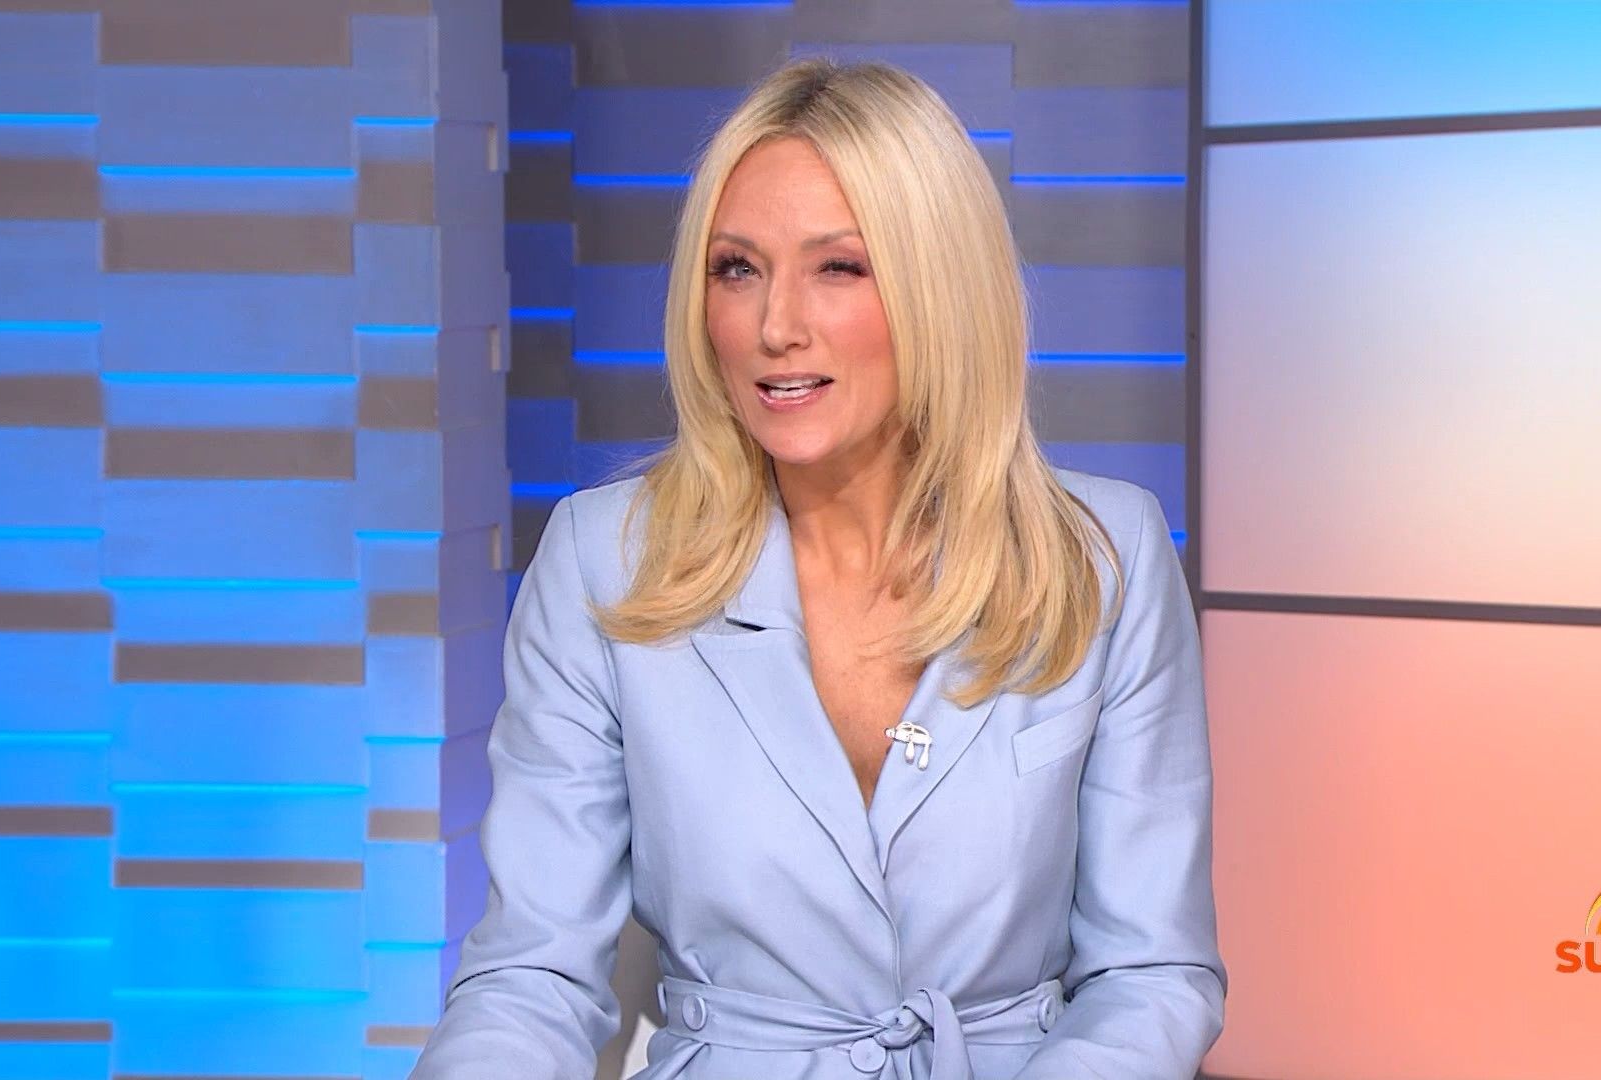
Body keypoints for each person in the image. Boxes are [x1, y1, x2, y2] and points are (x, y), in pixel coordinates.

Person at [410, 56, 1226, 1080]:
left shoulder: (1106, 558)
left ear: (941, 288)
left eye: (838, 268)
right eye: (736, 269)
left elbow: (1151, 975)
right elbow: (532, 976)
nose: (775, 327)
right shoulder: (602, 563)